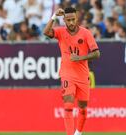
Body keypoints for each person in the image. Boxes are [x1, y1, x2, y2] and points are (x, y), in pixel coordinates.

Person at [43, 7, 100, 135]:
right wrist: (53, 17)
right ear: (64, 20)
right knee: (68, 105)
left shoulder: (86, 33)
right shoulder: (61, 32)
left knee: (83, 109)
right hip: (67, 73)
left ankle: (78, 133)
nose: (71, 23)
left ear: (77, 18)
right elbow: (46, 32)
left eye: (73, 19)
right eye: (68, 20)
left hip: (83, 75)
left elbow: (97, 54)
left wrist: (80, 58)